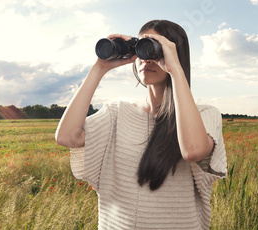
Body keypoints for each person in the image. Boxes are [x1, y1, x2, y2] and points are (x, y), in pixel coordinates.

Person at [55, 19, 227, 229]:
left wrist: (176, 71)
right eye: (141, 49)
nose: (146, 59)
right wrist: (100, 67)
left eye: (154, 50)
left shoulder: (205, 114)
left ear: (175, 55)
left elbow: (192, 151)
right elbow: (66, 137)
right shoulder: (117, 113)